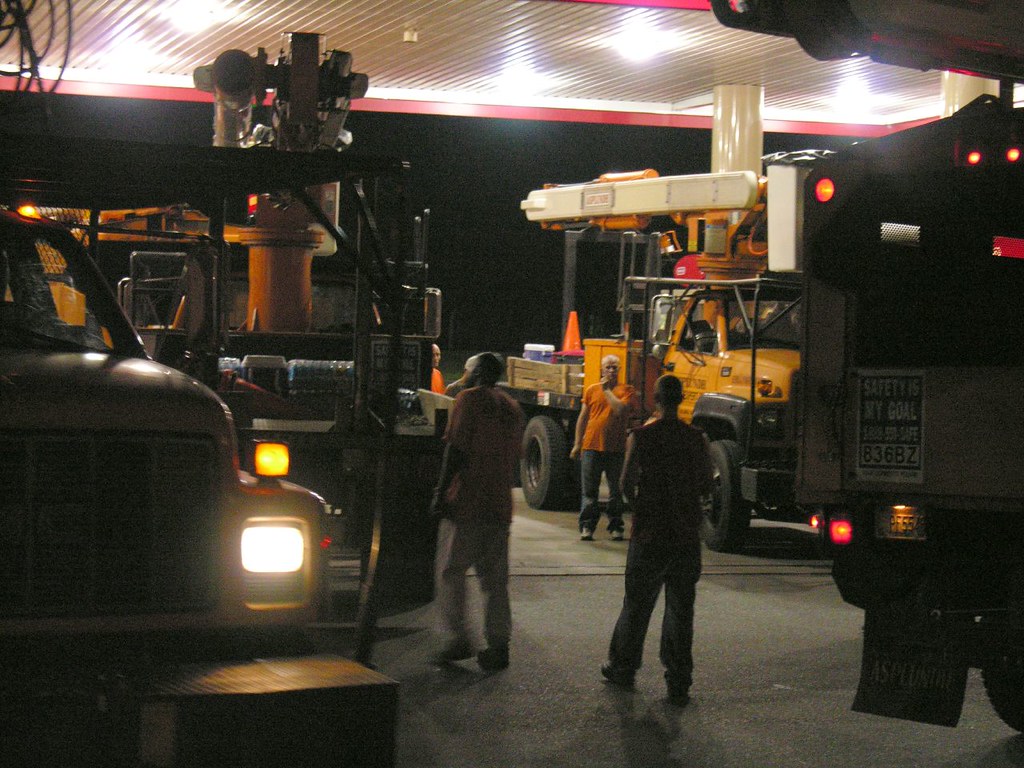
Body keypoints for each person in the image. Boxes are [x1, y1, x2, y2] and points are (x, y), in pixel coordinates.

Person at [600, 375, 714, 706]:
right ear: (680, 400)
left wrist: (641, 508)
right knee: (681, 609)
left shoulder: (642, 436)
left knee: (636, 604)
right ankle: (678, 679)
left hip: (649, 533)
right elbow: (707, 484)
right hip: (684, 536)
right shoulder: (697, 439)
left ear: (655, 398)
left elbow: (623, 484)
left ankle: (623, 667)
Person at [430, 352, 525, 671]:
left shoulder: (467, 401)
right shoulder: (512, 409)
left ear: (477, 373)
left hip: (468, 500)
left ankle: (460, 638)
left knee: (450, 571)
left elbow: (455, 450)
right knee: (495, 581)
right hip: (499, 504)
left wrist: (440, 492)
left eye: (468, 371)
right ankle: (499, 646)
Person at [569, 354, 638, 541]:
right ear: (601, 369)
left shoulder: (627, 391)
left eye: (615, 367)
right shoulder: (591, 390)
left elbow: (621, 410)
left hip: (615, 449)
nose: (611, 370)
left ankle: (616, 526)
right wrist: (577, 444)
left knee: (616, 491)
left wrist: (607, 391)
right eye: (607, 367)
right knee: (589, 491)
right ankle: (587, 526)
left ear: (619, 370)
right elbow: (583, 418)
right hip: (591, 446)